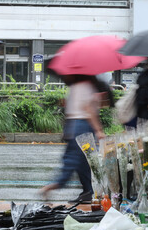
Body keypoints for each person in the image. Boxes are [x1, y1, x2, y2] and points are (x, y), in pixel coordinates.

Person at [40, 75, 106, 204]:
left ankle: (88, 191)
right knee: (76, 161)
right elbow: (89, 110)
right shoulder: (86, 86)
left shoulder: (75, 86)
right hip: (82, 125)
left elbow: (69, 109)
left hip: (72, 125)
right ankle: (51, 186)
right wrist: (98, 130)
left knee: (84, 163)